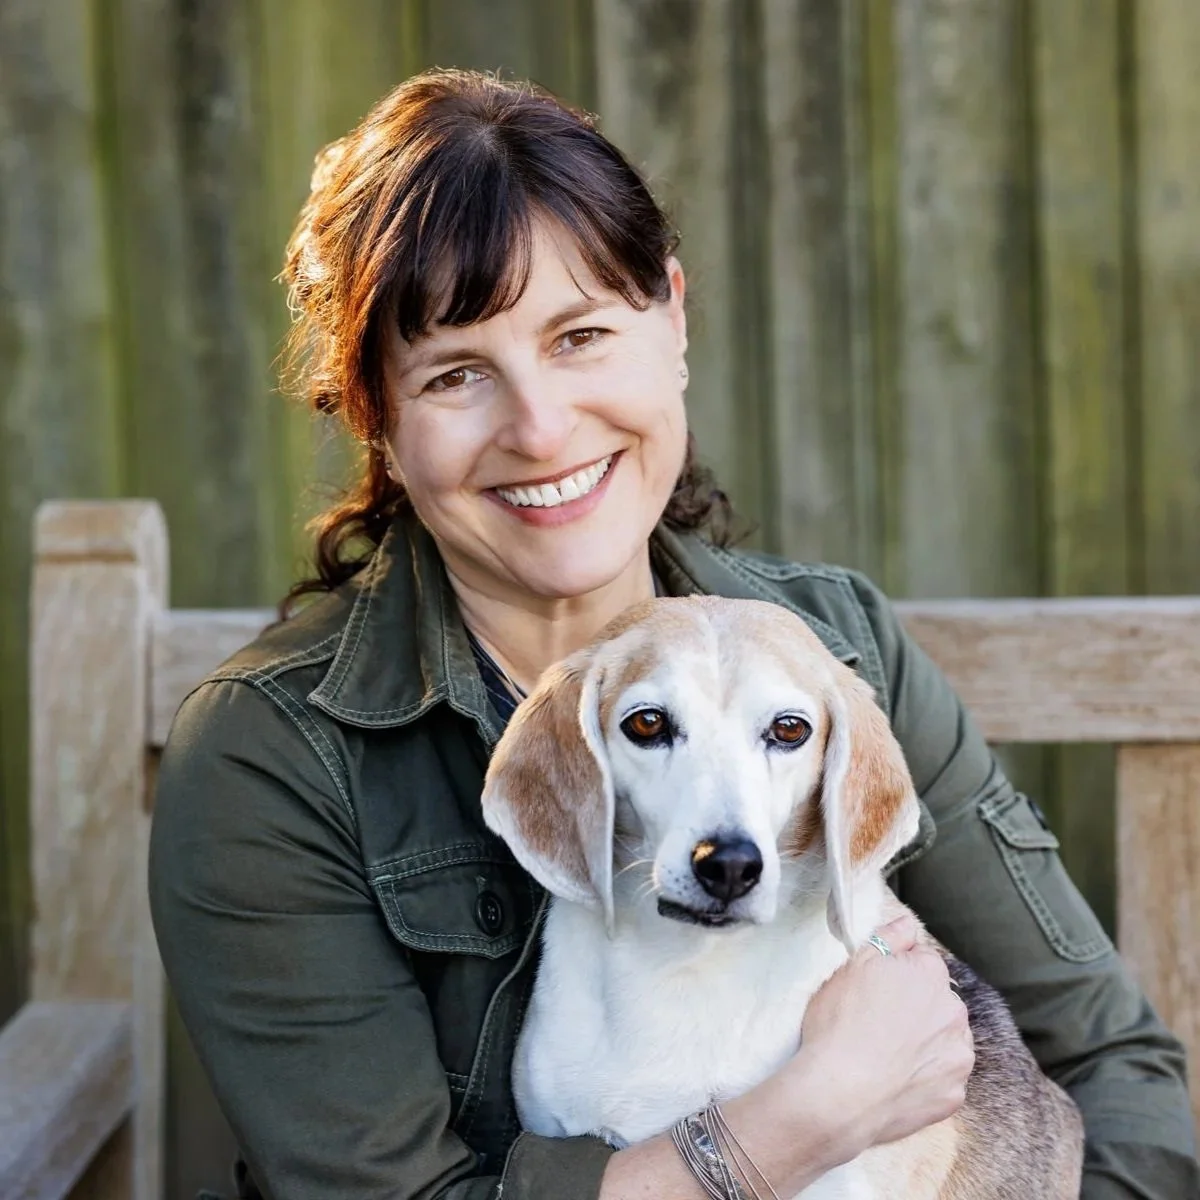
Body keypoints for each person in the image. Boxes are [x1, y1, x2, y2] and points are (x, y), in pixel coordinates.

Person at [148, 69, 1198, 1200]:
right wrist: (795, 1124)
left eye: (580, 336)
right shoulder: (269, 757)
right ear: (376, 418)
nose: (541, 429)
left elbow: (1113, 1073)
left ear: (674, 321)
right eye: (457, 374)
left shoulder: (839, 648)